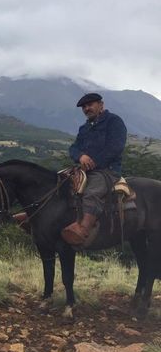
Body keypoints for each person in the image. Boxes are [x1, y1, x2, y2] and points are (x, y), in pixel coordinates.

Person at [61, 93, 127, 246]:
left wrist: (92, 163)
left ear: (101, 105)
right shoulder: (84, 128)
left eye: (90, 105)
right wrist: (80, 156)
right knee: (59, 181)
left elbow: (115, 148)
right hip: (84, 168)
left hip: (107, 170)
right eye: (84, 107)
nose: (86, 109)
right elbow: (74, 147)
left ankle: (82, 231)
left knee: (92, 193)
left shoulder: (114, 122)